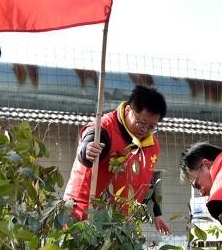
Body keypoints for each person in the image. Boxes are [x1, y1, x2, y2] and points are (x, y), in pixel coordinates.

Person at [63, 84, 171, 233]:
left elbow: (146, 182)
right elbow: (89, 141)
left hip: (120, 224)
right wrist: (86, 150)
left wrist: (156, 213)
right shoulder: (105, 128)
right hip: (84, 214)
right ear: (128, 110)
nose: (145, 130)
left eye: (151, 126)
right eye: (141, 122)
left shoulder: (151, 145)